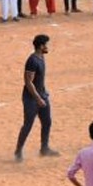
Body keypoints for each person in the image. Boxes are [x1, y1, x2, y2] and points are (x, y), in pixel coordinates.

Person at [14, 34, 59, 162]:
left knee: (47, 122)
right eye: (45, 45)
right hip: (31, 98)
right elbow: (28, 82)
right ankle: (18, 151)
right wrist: (38, 98)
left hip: (42, 95)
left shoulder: (41, 56)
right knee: (28, 125)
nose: (47, 47)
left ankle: (44, 148)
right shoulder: (32, 61)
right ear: (40, 46)